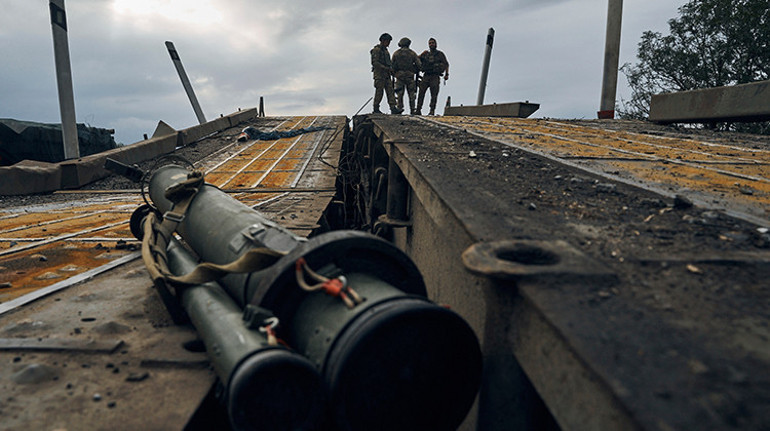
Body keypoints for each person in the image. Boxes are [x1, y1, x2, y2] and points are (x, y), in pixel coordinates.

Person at [416, 37, 449, 116]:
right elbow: (416, 60)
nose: (431, 44)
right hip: (426, 75)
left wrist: (447, 74)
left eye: (432, 43)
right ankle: (418, 109)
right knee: (421, 93)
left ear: (436, 44)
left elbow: (446, 64)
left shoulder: (440, 54)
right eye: (430, 43)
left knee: (434, 94)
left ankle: (432, 110)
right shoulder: (425, 54)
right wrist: (421, 55)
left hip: (435, 76)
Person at [370, 33, 402, 114]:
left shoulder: (385, 51)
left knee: (390, 91)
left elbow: (388, 63)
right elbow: (375, 63)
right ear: (383, 41)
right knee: (379, 92)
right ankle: (376, 108)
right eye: (388, 41)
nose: (388, 43)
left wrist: (391, 70)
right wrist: (386, 68)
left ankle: (393, 108)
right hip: (379, 75)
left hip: (387, 75)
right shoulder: (376, 50)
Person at [391, 37, 422, 115]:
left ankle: (399, 109)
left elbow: (392, 66)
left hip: (399, 76)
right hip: (410, 76)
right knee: (411, 94)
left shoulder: (396, 53)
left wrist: (395, 74)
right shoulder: (412, 53)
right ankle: (412, 110)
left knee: (399, 94)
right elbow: (419, 65)